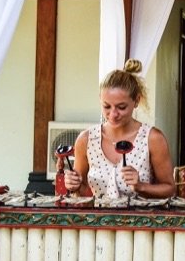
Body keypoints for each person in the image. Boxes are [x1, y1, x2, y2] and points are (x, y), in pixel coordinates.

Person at [64, 59, 176, 199]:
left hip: (142, 219)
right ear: (100, 100)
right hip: (98, 219)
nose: (113, 114)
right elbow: (82, 192)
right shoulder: (86, 139)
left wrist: (141, 186)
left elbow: (170, 188)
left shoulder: (153, 138)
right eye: (106, 106)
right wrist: (74, 185)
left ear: (136, 100)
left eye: (121, 107)